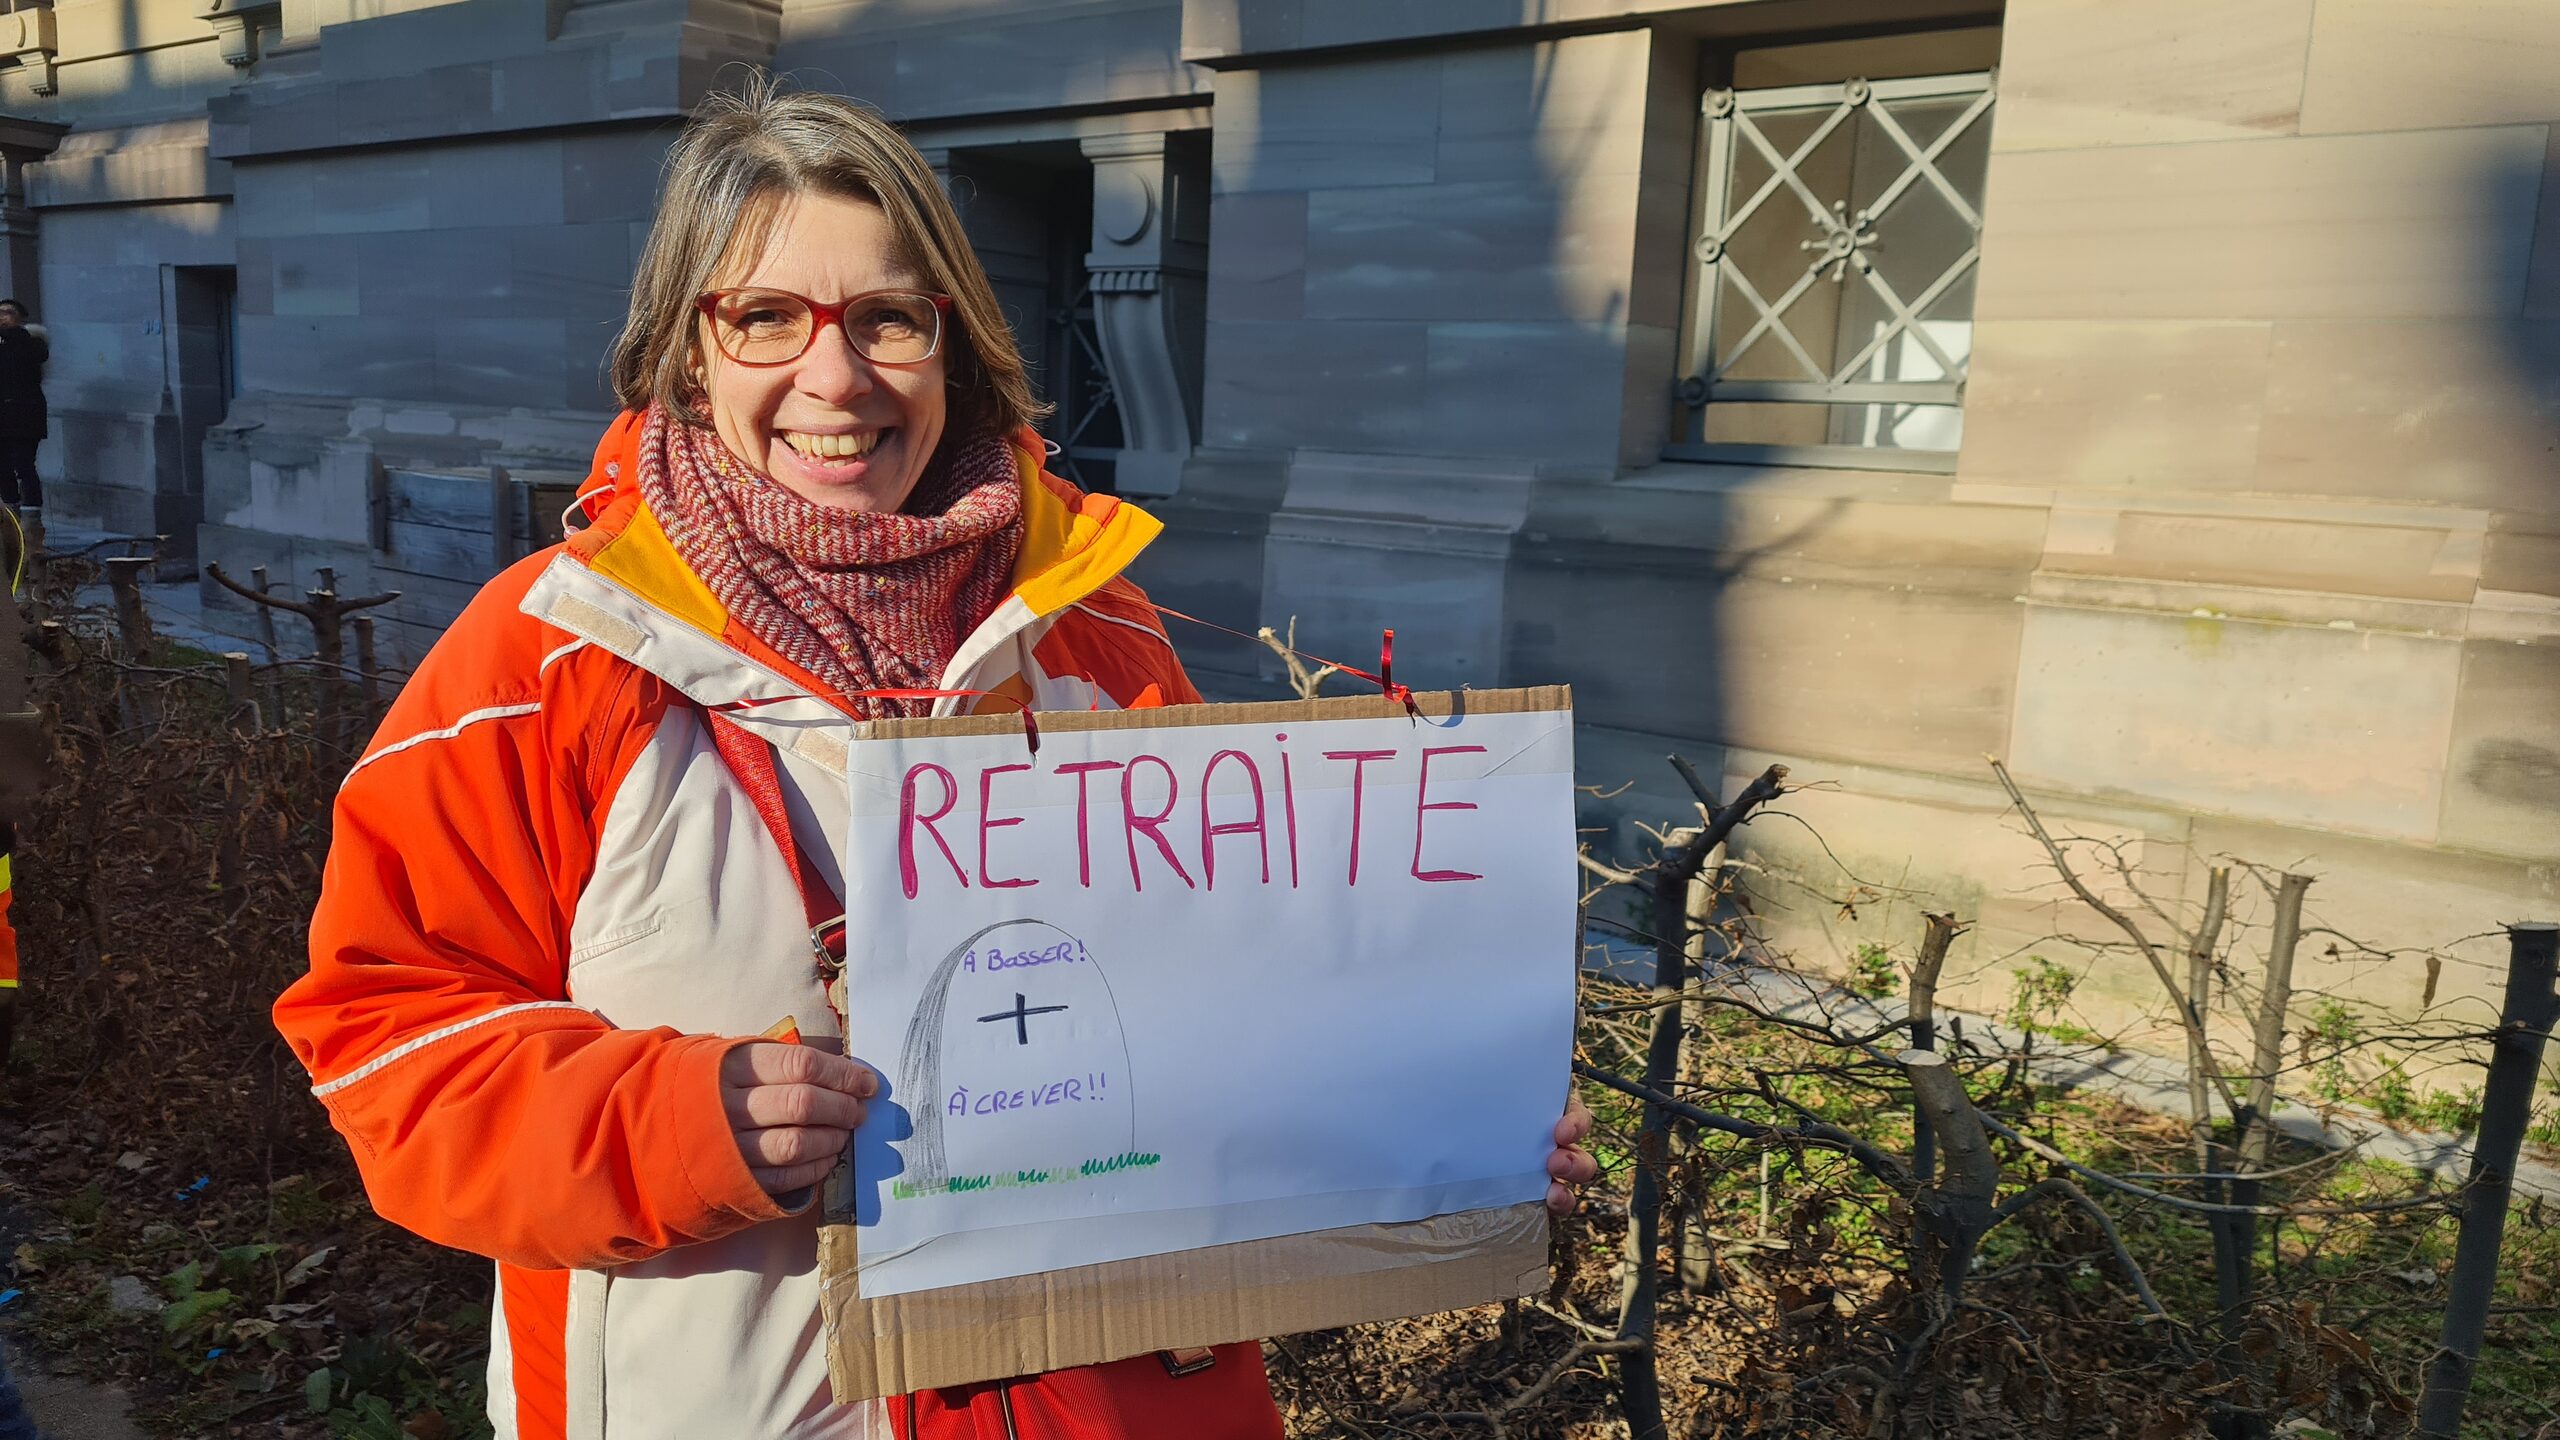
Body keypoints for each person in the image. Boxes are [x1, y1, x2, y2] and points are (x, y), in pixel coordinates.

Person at [273, 79, 1597, 1440]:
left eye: (890, 318)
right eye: (766, 317)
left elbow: (1243, 1010)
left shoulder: (1094, 629)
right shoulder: (546, 660)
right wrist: (673, 1121)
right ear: (686, 350)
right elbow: (381, 1038)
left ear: (951, 345)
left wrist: (1442, 1123)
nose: (834, 378)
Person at [0, 301, 44, 518]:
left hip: (24, 417)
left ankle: (32, 518)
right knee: (3, 468)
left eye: (8, 312)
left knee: (24, 465)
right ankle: (11, 514)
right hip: (3, 417)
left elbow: (26, 357)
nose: (2, 316)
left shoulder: (31, 342)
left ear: (21, 318)